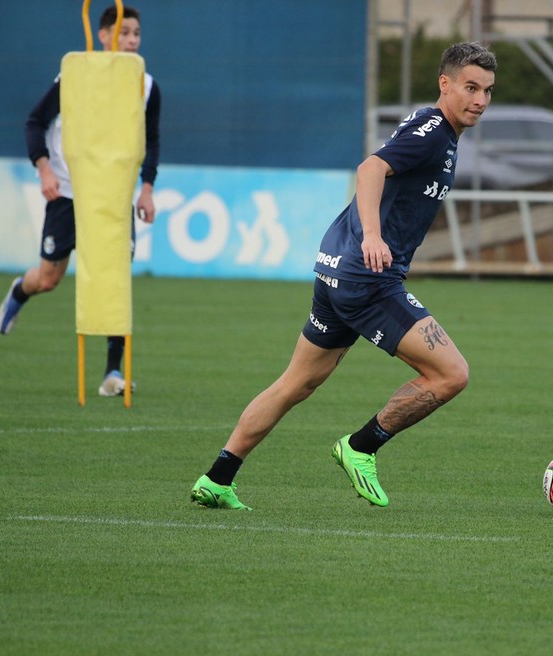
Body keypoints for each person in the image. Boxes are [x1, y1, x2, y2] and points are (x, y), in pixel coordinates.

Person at [191, 42, 497, 510]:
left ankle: (217, 477)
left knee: (296, 383)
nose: (479, 100)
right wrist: (372, 236)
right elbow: (371, 167)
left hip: (335, 271)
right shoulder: (434, 131)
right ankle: (361, 447)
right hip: (368, 278)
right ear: (445, 84)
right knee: (451, 373)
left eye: (487, 91)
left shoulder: (434, 128)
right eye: (470, 88)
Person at [0, 5, 161, 396]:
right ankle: (21, 290)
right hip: (68, 191)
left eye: (136, 33)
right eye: (123, 32)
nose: (131, 40)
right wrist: (44, 170)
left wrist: (148, 187)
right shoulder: (75, 76)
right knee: (49, 278)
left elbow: (150, 139)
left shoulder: (146, 85)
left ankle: (111, 374)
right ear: (103, 36)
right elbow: (34, 122)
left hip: (114, 195)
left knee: (114, 277)